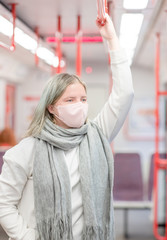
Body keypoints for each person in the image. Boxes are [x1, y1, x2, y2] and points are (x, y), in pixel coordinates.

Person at [0, 14, 134, 240]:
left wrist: (112, 39)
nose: (79, 106)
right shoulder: (27, 149)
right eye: (70, 100)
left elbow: (125, 94)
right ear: (51, 107)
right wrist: (26, 237)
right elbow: (4, 203)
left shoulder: (95, 135)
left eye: (83, 99)